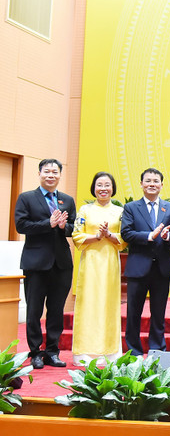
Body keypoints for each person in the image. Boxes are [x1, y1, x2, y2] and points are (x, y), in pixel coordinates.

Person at [14, 158, 76, 369]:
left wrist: (63, 227)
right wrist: (47, 223)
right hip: (36, 263)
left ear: (60, 175)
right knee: (34, 310)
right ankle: (35, 352)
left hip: (61, 264)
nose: (51, 175)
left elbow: (74, 228)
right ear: (39, 173)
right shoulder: (26, 198)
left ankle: (52, 352)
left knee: (56, 310)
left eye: (55, 172)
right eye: (47, 171)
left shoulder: (67, 200)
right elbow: (21, 225)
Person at [121, 168, 170, 356]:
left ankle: (157, 351)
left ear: (161, 185)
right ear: (141, 184)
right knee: (133, 313)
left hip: (161, 268)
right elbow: (126, 233)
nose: (152, 184)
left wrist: (167, 236)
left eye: (156, 181)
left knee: (158, 313)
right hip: (138, 267)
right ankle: (134, 352)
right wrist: (149, 236)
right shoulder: (131, 208)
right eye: (148, 181)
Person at [71, 172, 126, 366]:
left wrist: (109, 235)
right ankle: (84, 352)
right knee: (88, 303)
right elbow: (76, 235)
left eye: (107, 185)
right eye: (99, 185)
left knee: (108, 303)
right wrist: (97, 237)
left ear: (113, 188)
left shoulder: (119, 211)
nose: (103, 188)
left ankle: (110, 352)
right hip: (90, 262)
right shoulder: (85, 210)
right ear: (94, 188)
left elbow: (124, 238)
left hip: (110, 262)